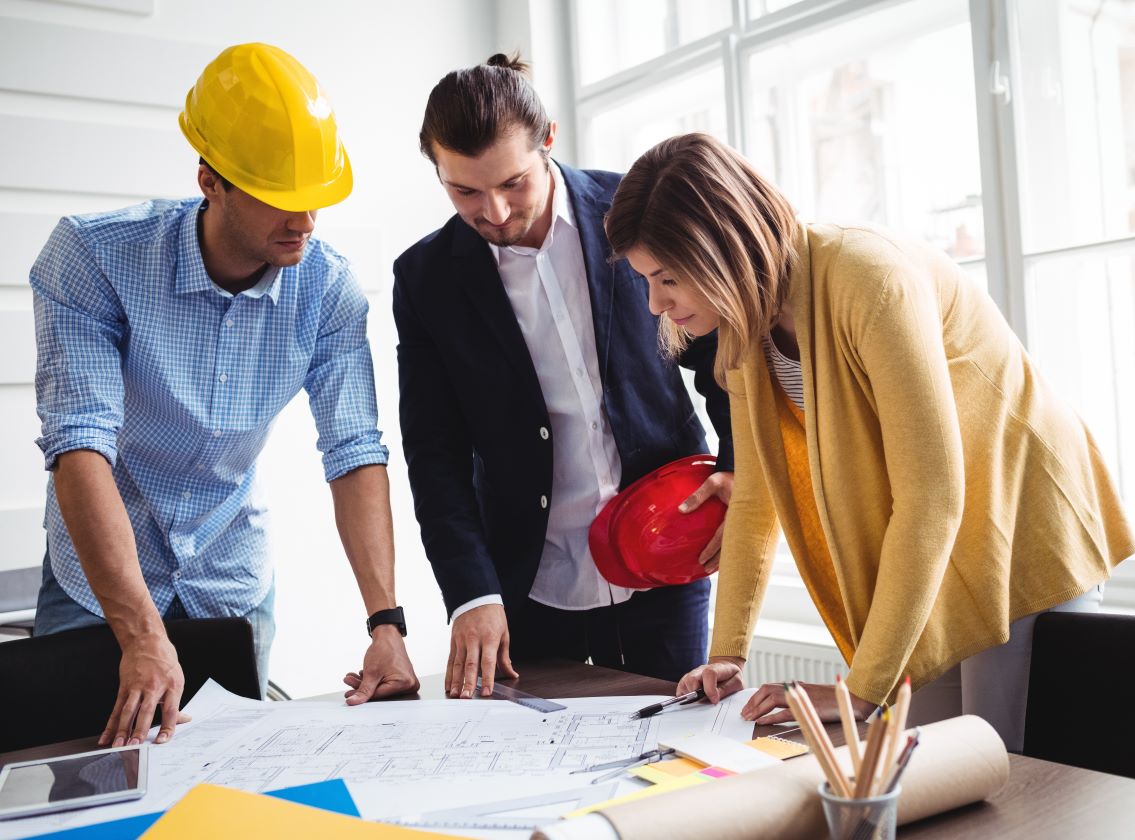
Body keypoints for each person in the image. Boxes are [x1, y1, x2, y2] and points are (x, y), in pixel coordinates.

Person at [604, 132, 1135, 751]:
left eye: (667, 278)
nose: (653, 304)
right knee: (916, 772)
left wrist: (860, 690)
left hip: (1020, 533)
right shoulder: (744, 328)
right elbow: (754, 499)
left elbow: (932, 497)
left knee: (996, 769)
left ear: (721, 248)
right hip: (930, 553)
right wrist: (727, 656)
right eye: (646, 280)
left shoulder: (869, 279)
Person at [29, 43, 418, 748]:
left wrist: (386, 624)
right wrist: (141, 633)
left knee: (228, 792)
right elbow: (79, 444)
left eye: (315, 197)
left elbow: (355, 449)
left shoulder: (326, 288)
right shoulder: (92, 259)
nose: (303, 220)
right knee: (79, 781)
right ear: (211, 180)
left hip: (229, 576)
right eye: (279, 195)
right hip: (102, 590)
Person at [393, 55, 734, 697]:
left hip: (666, 554)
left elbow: (726, 355)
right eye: (464, 191)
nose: (493, 211)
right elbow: (433, 456)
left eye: (513, 183)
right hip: (526, 585)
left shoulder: (635, 213)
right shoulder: (425, 279)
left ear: (548, 138)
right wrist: (470, 594)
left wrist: (736, 465)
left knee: (672, 762)